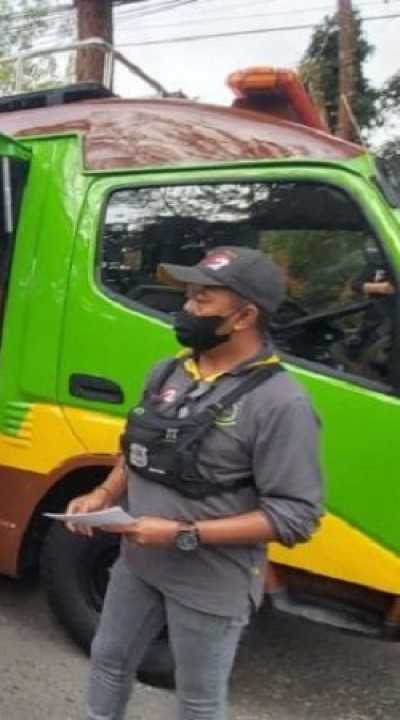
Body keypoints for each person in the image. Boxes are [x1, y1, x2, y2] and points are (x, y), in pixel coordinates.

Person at [65, 247, 324, 720]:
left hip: (211, 582)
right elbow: (137, 452)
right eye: (188, 296)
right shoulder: (168, 371)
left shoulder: (281, 403)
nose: (186, 310)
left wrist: (183, 533)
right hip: (139, 564)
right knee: (108, 660)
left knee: (198, 699)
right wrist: (102, 494)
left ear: (245, 316)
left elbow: (295, 516)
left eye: (203, 301)